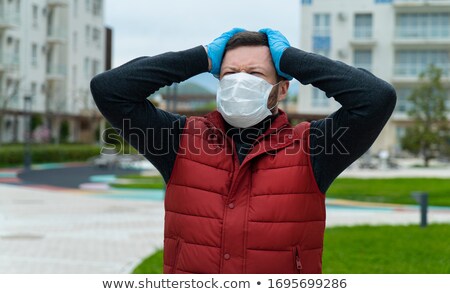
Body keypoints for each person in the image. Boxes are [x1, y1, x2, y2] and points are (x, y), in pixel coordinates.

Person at [90, 28, 397, 274]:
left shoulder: (314, 147)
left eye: (255, 74)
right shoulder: (179, 139)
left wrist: (290, 59)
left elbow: (376, 98)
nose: (240, 82)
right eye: (230, 74)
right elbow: (110, 90)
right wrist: (201, 57)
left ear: (282, 88)